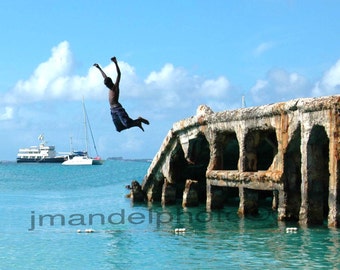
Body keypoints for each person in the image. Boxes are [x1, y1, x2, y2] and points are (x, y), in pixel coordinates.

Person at [93, 57, 149, 132]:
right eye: (106, 85)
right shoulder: (109, 87)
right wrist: (99, 68)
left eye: (107, 85)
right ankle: (137, 123)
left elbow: (119, 74)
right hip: (112, 110)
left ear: (110, 82)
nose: (107, 86)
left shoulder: (115, 87)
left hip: (118, 109)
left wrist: (116, 63)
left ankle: (139, 120)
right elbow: (104, 76)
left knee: (127, 124)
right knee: (119, 129)